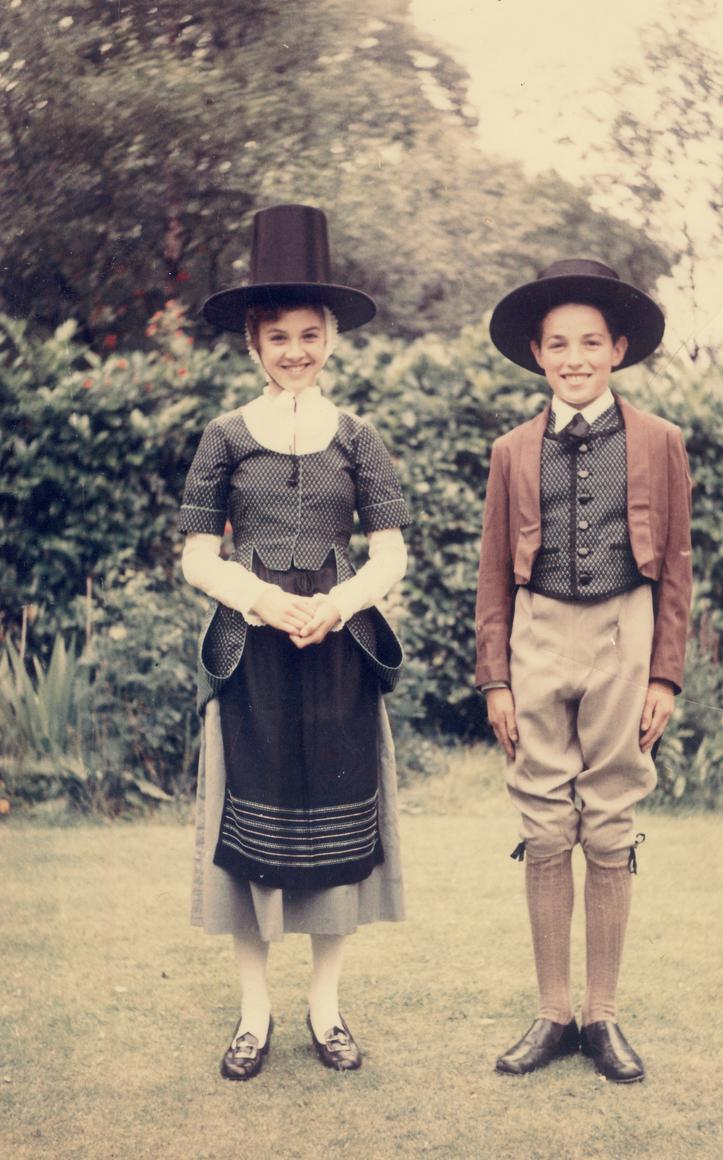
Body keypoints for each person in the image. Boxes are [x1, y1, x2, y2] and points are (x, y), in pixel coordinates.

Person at [179, 204, 410, 1080]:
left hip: (339, 651)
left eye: (310, 334)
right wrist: (266, 603)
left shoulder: (360, 438)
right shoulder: (225, 436)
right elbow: (199, 554)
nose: (296, 350)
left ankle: (326, 1011)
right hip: (253, 653)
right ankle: (252, 1017)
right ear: (253, 339)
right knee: (252, 836)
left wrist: (341, 605)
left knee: (337, 835)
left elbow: (391, 551)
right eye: (279, 335)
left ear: (331, 339)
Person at [475, 258, 692, 1083]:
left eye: (590, 343)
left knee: (608, 821)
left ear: (618, 348)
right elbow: (494, 566)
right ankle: (551, 1012)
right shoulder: (510, 450)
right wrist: (495, 675)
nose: (574, 358)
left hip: (622, 634)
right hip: (537, 636)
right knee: (542, 821)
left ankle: (602, 1016)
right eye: (558, 344)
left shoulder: (659, 442)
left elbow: (677, 566)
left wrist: (663, 675)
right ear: (537, 353)